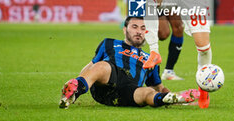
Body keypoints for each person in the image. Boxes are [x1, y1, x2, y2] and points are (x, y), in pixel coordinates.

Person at [59, 16, 199, 109]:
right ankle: (74, 92)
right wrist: (78, 80)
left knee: (147, 92)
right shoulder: (109, 43)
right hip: (106, 81)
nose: (139, 31)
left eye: (143, 28)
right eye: (134, 27)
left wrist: (169, 93)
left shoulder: (151, 58)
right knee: (102, 66)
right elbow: (92, 66)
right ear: (125, 29)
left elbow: (159, 87)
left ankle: (175, 98)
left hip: (127, 92)